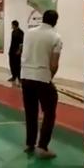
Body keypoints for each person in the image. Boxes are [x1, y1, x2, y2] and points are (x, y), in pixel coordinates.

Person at [21, 10, 62, 159]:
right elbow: (54, 64)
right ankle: (43, 146)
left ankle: (30, 144)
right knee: (49, 112)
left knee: (30, 112)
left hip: (25, 77)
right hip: (42, 78)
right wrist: (50, 78)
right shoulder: (56, 37)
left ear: (43, 19)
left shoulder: (29, 33)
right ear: (55, 21)